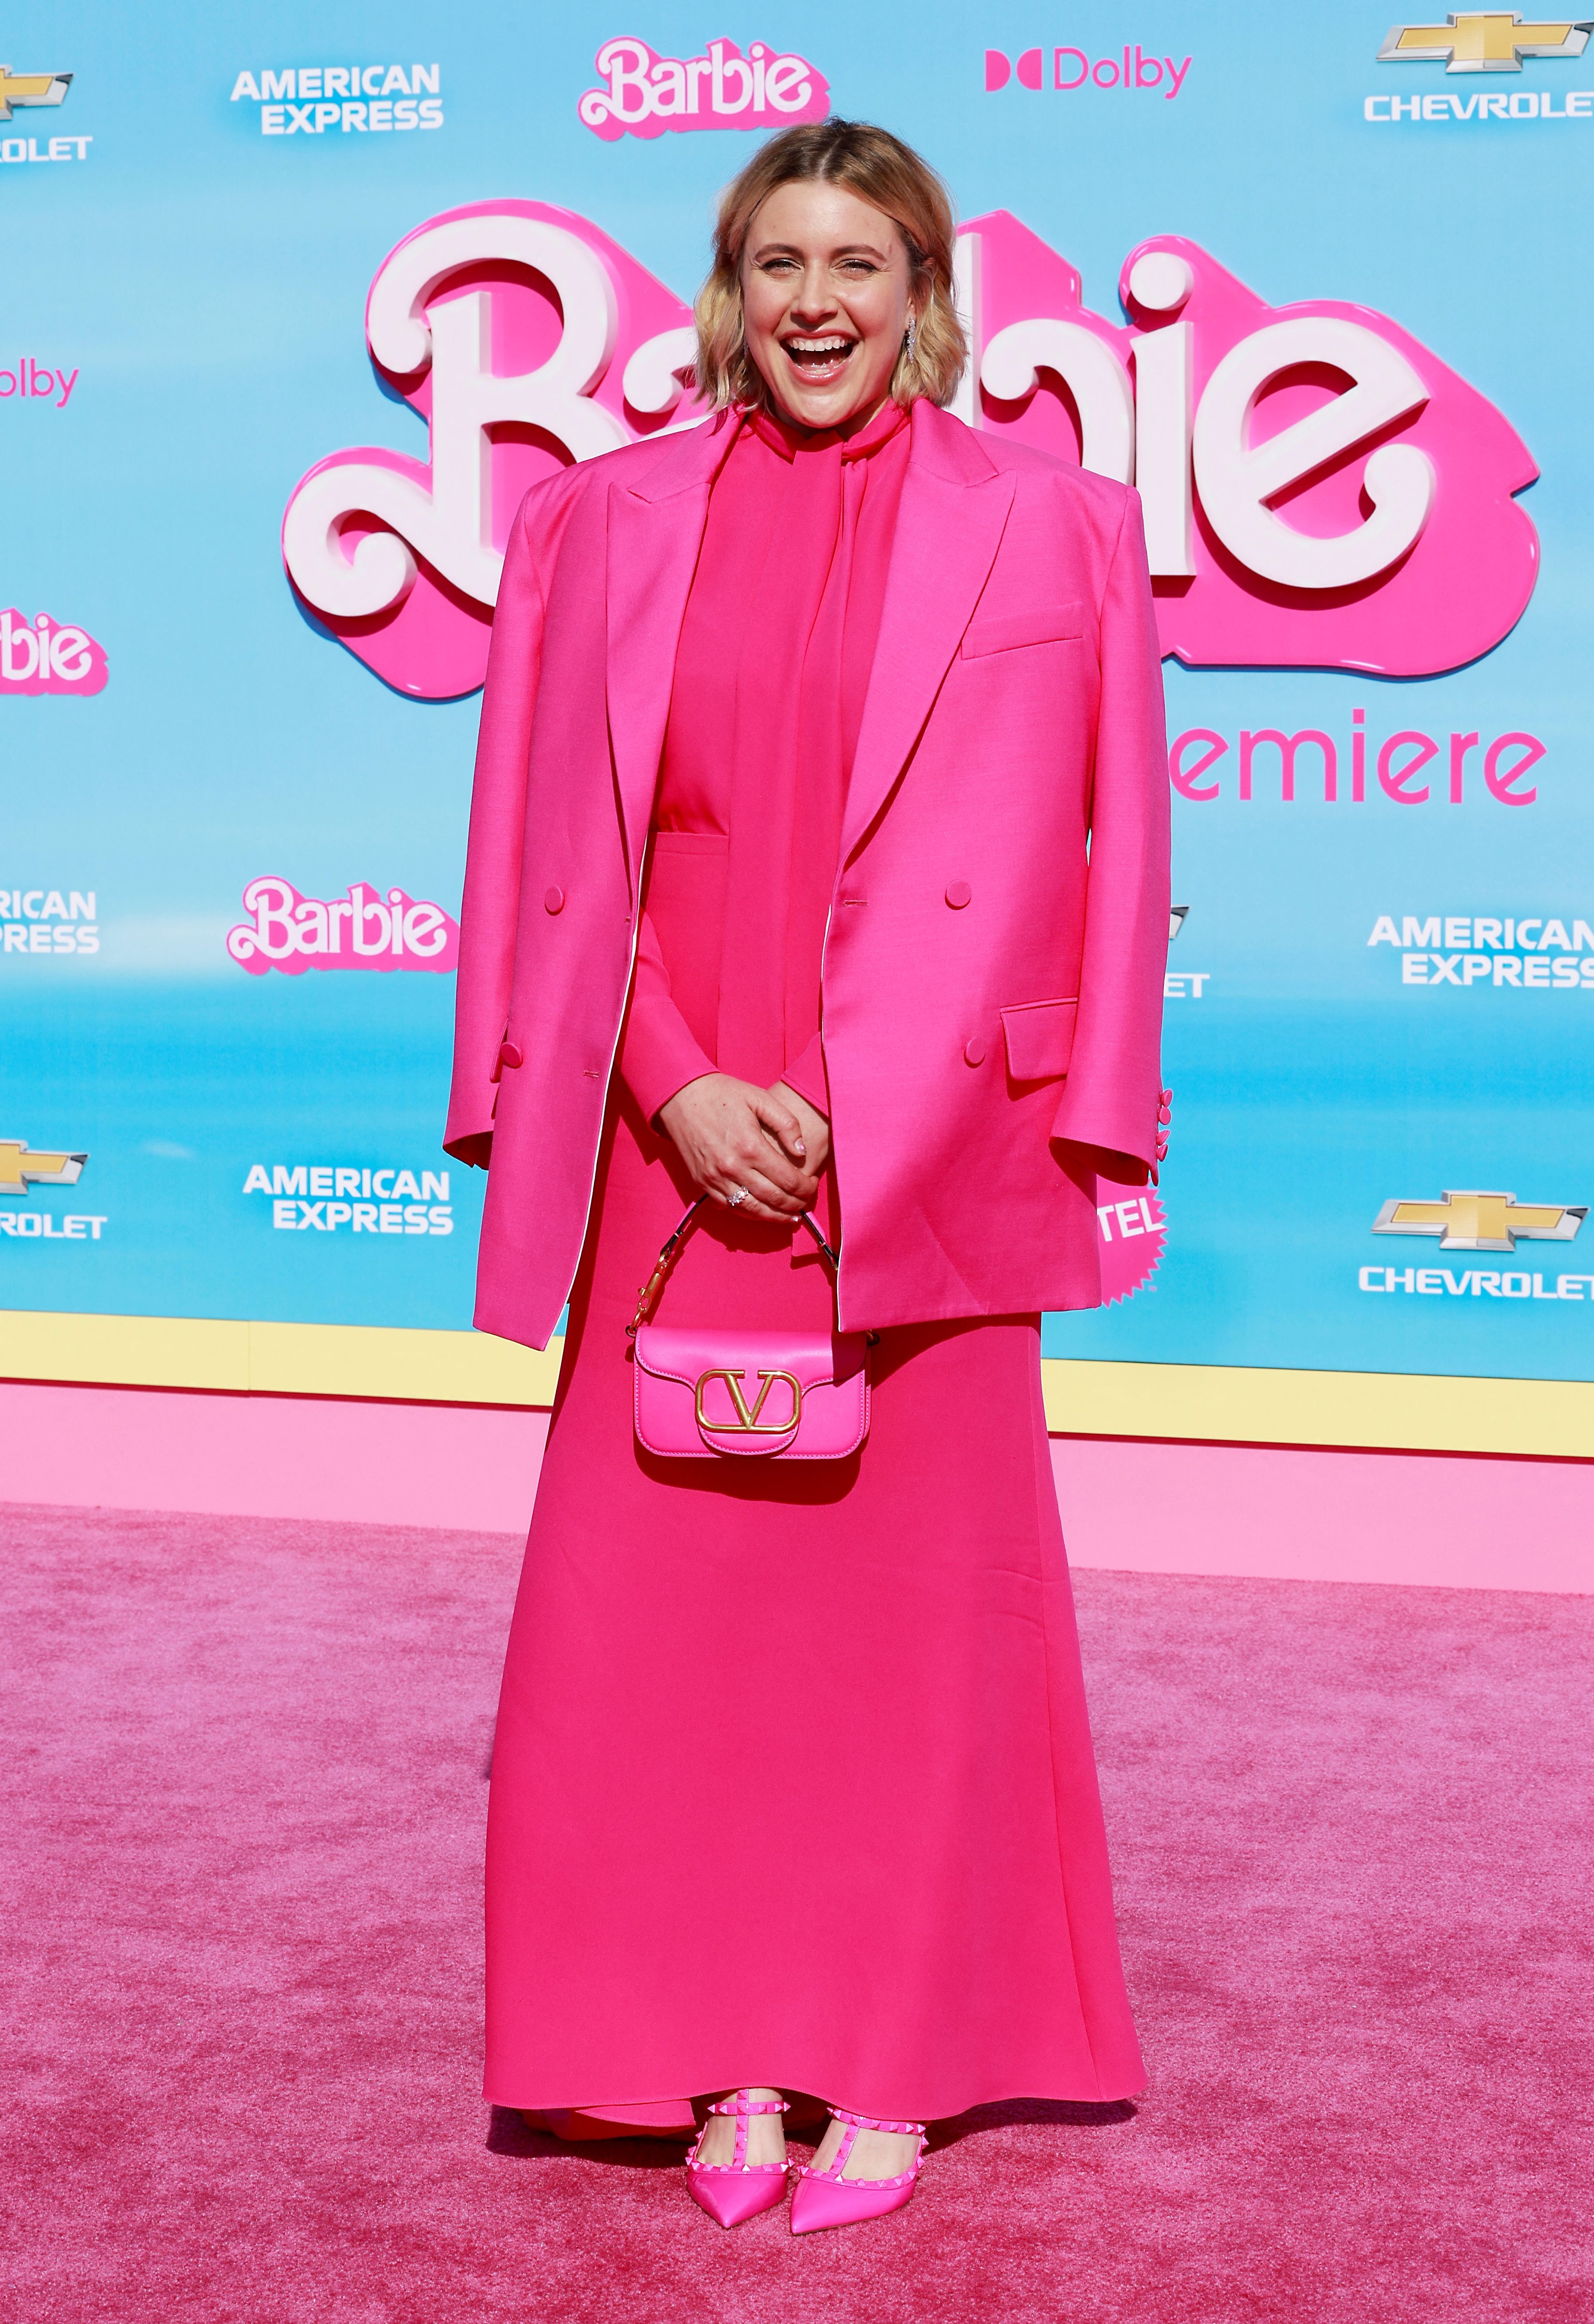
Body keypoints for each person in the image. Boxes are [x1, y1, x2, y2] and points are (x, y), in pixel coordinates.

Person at [445, 118, 1170, 2235]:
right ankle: (711, 2054)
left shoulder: (1059, 527)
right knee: (653, 1650)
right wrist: (664, 1088)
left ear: (923, 286)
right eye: (778, 259)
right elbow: (542, 865)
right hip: (671, 1156)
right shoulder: (596, 521)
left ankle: (887, 2058)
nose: (816, 300)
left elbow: (1110, 869)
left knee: (912, 1646)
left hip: (927, 1160)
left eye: (858, 258)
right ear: (727, 285)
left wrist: (928, 1115)